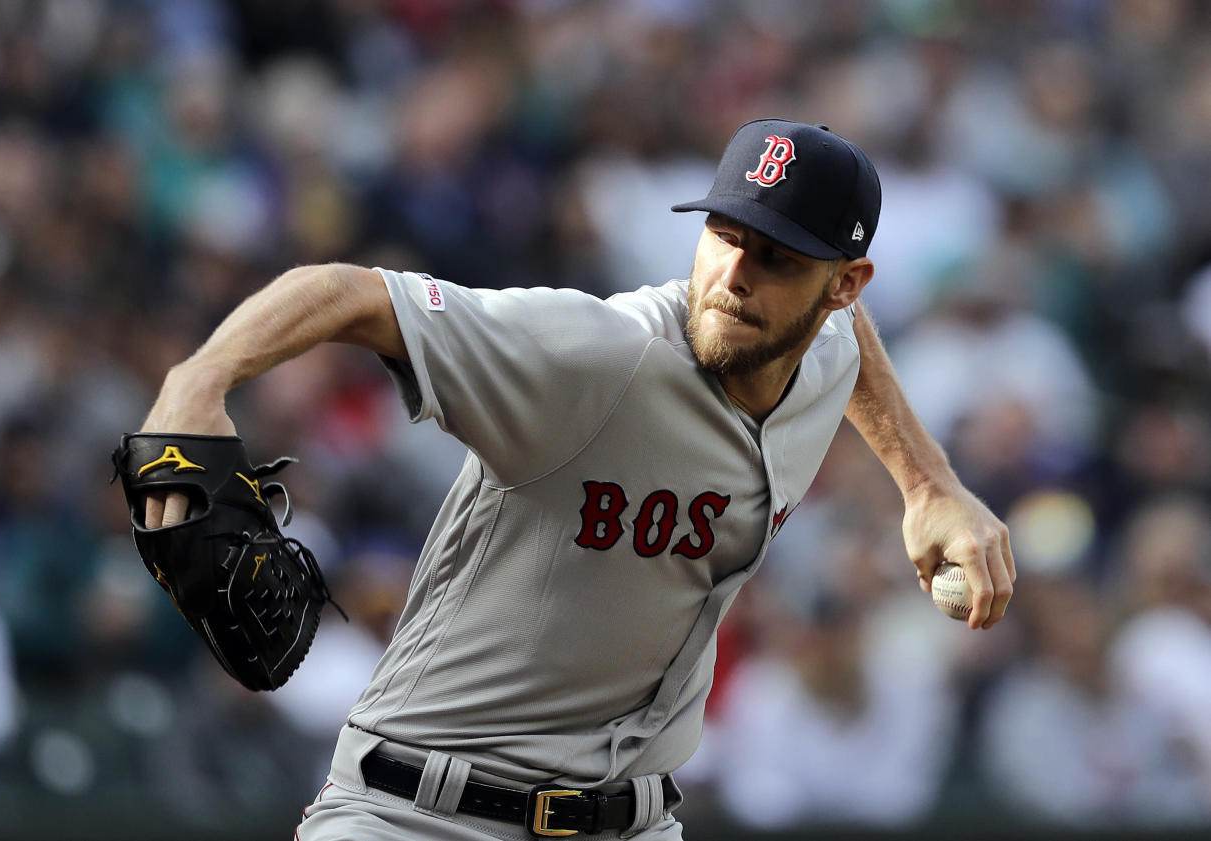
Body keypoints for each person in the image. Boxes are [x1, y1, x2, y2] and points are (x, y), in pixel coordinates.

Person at [137, 119, 1015, 840]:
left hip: (630, 823)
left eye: (779, 258)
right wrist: (197, 380)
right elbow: (354, 292)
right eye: (725, 234)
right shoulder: (598, 353)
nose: (734, 278)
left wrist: (927, 480)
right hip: (423, 811)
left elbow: (844, 345)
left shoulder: (819, 345)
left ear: (845, 284)